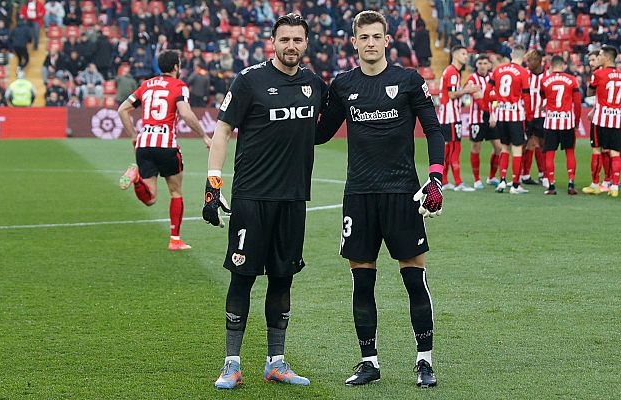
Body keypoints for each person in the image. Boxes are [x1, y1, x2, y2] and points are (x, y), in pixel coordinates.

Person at [315, 10, 444, 388]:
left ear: (387, 40)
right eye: (364, 37)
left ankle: (424, 360)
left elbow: (434, 131)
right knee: (362, 283)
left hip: (403, 193)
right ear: (353, 42)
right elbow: (320, 133)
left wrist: (435, 177)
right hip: (359, 195)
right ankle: (368, 361)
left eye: (377, 36)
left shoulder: (407, 80)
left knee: (414, 280)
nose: (370, 43)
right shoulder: (342, 85)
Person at [202, 13, 325, 390]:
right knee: (242, 277)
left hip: (293, 199)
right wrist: (213, 185)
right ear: (273, 42)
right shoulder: (249, 80)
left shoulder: (314, 84)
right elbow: (222, 130)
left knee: (283, 278)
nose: (291, 46)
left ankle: (276, 362)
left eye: (298, 40)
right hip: (251, 198)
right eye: (284, 39)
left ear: (306, 44)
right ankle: (231, 364)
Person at [117, 50, 213, 250]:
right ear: (176, 67)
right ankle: (175, 240)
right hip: (165, 144)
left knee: (151, 198)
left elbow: (122, 109)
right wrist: (204, 136)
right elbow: (185, 114)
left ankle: (136, 179)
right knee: (176, 192)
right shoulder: (178, 86)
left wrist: (133, 135)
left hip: (144, 144)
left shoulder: (146, 85)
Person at [482, 44, 533, 194]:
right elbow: (527, 97)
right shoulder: (523, 72)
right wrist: (529, 116)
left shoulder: (498, 69)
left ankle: (502, 181)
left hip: (501, 115)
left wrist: (487, 107)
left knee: (504, 148)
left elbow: (487, 90)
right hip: (515, 115)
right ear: (523, 57)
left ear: (511, 55)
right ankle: (516, 185)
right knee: (517, 150)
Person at [583, 45, 621, 197]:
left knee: (596, 150)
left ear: (607, 58)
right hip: (616, 119)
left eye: (601, 55)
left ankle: (595, 184)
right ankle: (614, 187)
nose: (599, 58)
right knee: (615, 153)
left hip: (601, 119)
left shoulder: (599, 74)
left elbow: (590, 90)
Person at [437, 45, 478, 192]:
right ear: (455, 55)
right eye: (463, 53)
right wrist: (467, 90)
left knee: (448, 149)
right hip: (451, 116)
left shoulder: (451, 71)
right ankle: (458, 182)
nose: (466, 56)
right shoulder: (453, 72)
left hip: (446, 116)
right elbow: (452, 94)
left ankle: (445, 181)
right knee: (455, 148)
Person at [539, 55, 581, 195]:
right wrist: (576, 122)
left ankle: (551, 186)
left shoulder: (545, 81)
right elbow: (578, 104)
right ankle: (571, 184)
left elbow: (543, 99)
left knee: (550, 154)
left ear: (551, 66)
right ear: (563, 65)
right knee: (570, 152)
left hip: (551, 121)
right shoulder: (572, 80)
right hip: (567, 121)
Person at [467, 53, 501, 188]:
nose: (482, 66)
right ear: (476, 65)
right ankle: (476, 179)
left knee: (498, 147)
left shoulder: (494, 78)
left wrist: (488, 98)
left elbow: (497, 96)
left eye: (485, 63)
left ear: (489, 65)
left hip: (492, 118)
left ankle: (491, 177)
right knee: (476, 146)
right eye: (480, 63)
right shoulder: (472, 79)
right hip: (477, 118)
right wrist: (490, 103)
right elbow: (479, 99)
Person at [522, 49, 547, 186]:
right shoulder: (525, 74)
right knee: (528, 144)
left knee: (542, 144)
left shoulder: (548, 75)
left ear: (538, 61)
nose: (528, 63)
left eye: (530, 60)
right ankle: (525, 175)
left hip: (542, 116)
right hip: (527, 115)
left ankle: (543, 174)